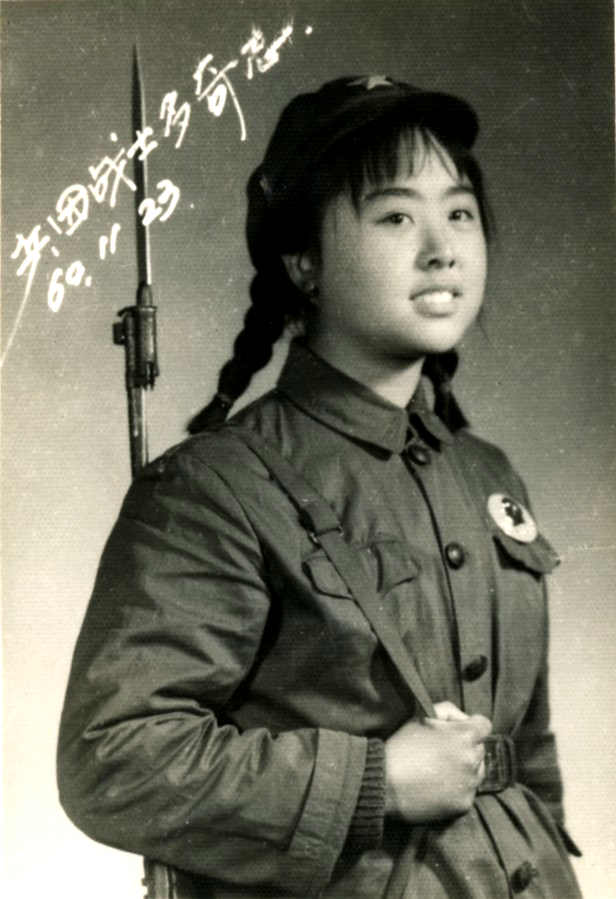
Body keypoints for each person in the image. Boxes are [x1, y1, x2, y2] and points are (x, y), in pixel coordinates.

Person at [57, 76, 583, 898]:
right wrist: (378, 782)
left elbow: (529, 752)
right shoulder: (213, 487)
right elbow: (112, 758)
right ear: (304, 261)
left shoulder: (487, 474)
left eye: (460, 213)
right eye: (396, 217)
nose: (443, 249)